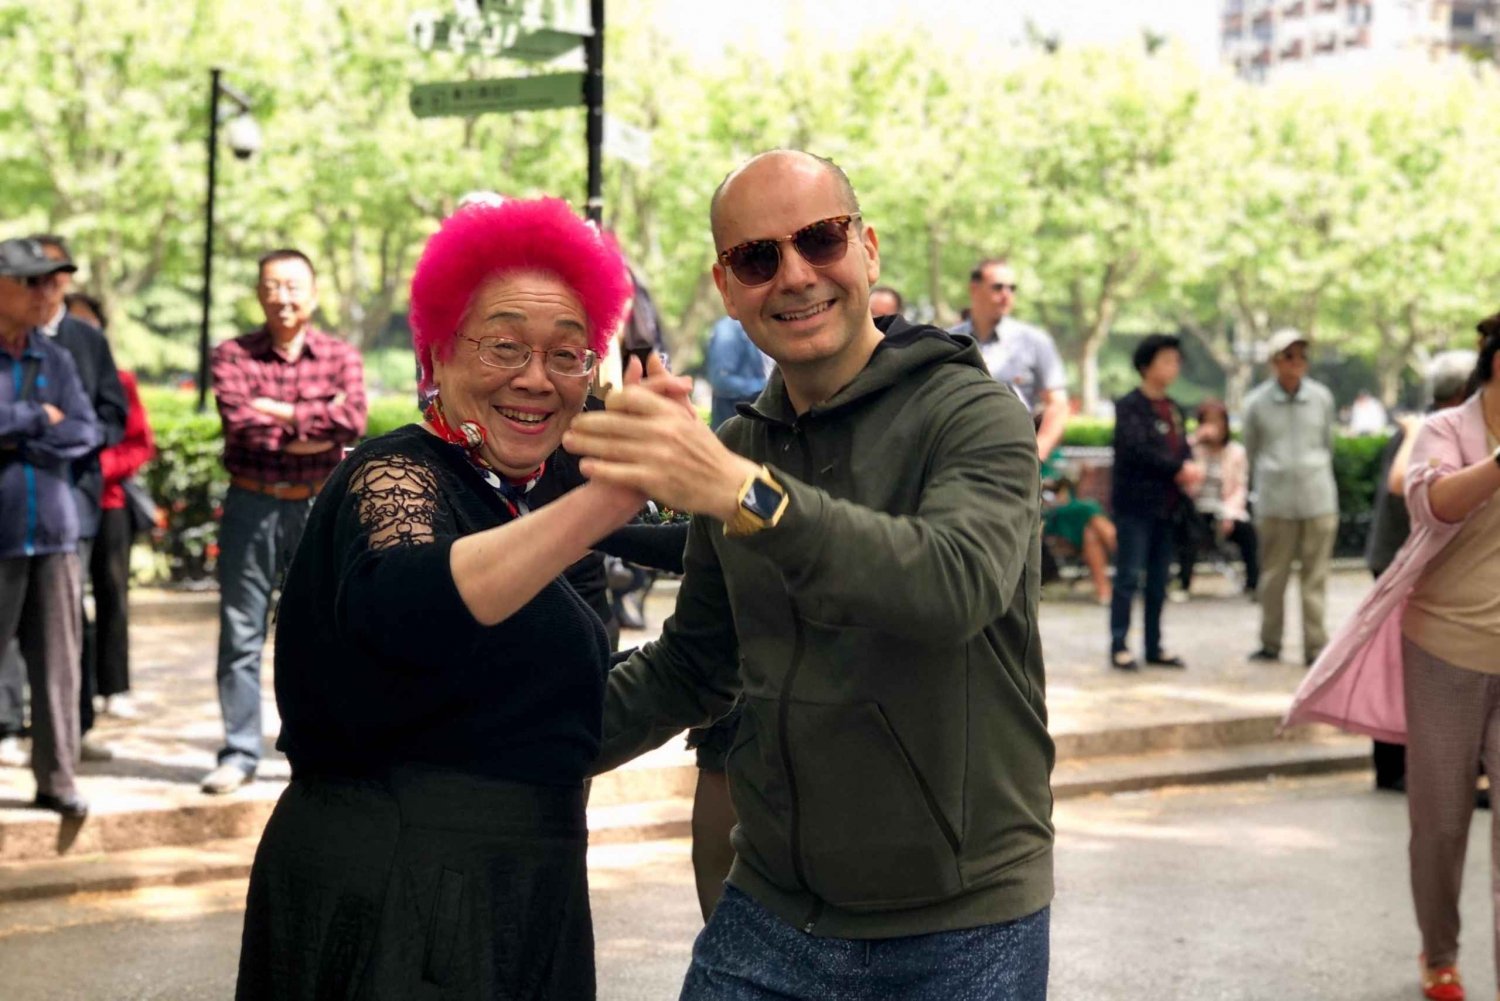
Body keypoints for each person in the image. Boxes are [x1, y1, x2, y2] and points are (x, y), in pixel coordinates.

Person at [565, 150, 1052, 1000]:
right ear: (726, 286)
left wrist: (741, 494)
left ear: (867, 249)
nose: (793, 276)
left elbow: (953, 584)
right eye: (758, 258)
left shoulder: (973, 413)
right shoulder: (744, 444)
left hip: (960, 924)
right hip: (770, 911)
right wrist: (501, 743)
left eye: (819, 240)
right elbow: (696, 662)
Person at [235, 198, 653, 998]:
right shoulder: (394, 472)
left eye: (567, 354)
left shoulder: (524, 490)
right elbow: (406, 602)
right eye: (504, 345)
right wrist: (608, 502)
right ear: (438, 351)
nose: (535, 378)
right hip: (399, 905)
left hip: (524, 897)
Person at [1286, 318, 1500, 1001]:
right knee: (1440, 819)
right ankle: (1440, 951)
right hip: (1443, 650)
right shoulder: (1445, 429)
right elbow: (1432, 504)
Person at [202, 249, 367, 795]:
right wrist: (312, 423)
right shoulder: (232, 354)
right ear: (258, 293)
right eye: (272, 285)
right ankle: (240, 749)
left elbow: (352, 420)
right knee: (241, 630)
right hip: (251, 503)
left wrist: (279, 410)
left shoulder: (340, 356)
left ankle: (319, 745)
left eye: (294, 285)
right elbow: (241, 423)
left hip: (320, 502)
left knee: (325, 625)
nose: (283, 296)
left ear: (314, 294)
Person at [0, 235, 128, 764]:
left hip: (59, 519)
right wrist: (36, 417)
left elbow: (88, 427)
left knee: (59, 653)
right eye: (31, 281)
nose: (44, 292)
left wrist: (24, 429)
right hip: (6, 525)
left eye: (52, 281)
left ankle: (60, 770)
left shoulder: (63, 349)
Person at [1364, 350, 1477, 794]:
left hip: (1409, 560)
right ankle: (1393, 767)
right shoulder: (1431, 428)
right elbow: (1399, 482)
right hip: (1400, 561)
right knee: (1403, 666)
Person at [70, 293, 155, 722]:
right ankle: (75, 691)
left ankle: (115, 685)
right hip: (63, 502)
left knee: (112, 592)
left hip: (109, 501)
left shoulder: (119, 380)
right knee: (66, 600)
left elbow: (140, 443)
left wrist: (98, 469)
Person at [1243, 329, 1340, 666]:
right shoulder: (1255, 403)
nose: (1296, 362)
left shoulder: (1322, 398)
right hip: (1275, 501)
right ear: (1274, 362)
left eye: (1301, 355)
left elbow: (1329, 444)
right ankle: (1270, 642)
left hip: (1318, 498)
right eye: (1289, 356)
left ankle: (1316, 645)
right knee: (1273, 577)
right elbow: (1250, 451)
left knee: (1316, 578)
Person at [1107, 335, 1201, 671]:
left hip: (1168, 506)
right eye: (1166, 360)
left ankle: (1154, 645)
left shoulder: (1174, 407)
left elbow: (1182, 446)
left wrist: (1188, 465)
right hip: (1136, 506)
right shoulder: (1129, 406)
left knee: (1159, 579)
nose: (1173, 366)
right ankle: (1119, 644)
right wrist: (1178, 468)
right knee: (1128, 576)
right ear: (1146, 366)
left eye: (1176, 360)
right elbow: (1137, 451)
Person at [950, 258, 1070, 460]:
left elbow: (1058, 405)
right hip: (957, 454)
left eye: (1012, 288)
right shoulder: (949, 341)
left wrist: (1035, 457)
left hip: (1013, 457)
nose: (1006, 295)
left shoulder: (1034, 341)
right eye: (998, 287)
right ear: (974, 289)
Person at [1177, 399, 1258, 598]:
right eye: (1208, 421)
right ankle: (1184, 583)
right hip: (1195, 508)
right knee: (1189, 531)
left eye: (1218, 421)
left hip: (1225, 509)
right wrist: (1198, 441)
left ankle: (1253, 584)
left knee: (1248, 533)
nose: (1214, 427)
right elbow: (1185, 479)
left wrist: (1228, 514)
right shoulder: (1192, 449)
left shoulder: (1236, 452)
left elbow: (1239, 488)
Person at [1042, 477, 1116, 605]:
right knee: (1089, 508)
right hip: (1050, 511)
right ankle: (1123, 550)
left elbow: (1071, 480)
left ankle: (1104, 591)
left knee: (1091, 534)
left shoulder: (1055, 456)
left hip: (1067, 503)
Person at [705, 314, 770, 430]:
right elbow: (721, 380)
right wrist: (766, 386)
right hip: (733, 430)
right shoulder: (728, 331)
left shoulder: (760, 326)